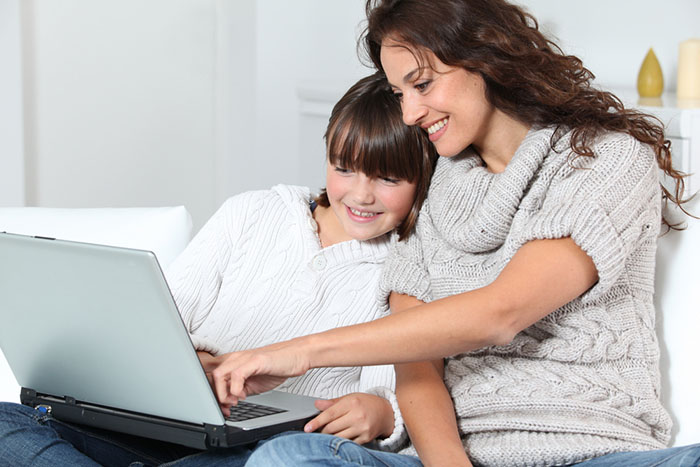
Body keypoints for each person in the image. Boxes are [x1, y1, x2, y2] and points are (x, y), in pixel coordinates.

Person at [205, 1, 700, 466]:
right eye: (401, 94)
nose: (409, 114)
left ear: (485, 58)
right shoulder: (434, 188)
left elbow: (500, 313)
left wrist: (298, 352)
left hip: (596, 451)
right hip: (457, 456)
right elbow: (416, 364)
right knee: (287, 457)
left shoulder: (604, 160)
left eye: (422, 85)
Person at [0, 72, 436, 466]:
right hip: (175, 420)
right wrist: (198, 366)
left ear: (424, 177)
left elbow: (397, 392)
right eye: (344, 169)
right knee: (6, 422)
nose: (360, 195)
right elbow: (162, 325)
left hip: (268, 444)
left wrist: (382, 414)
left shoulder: (408, 267)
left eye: (387, 180)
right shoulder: (253, 212)